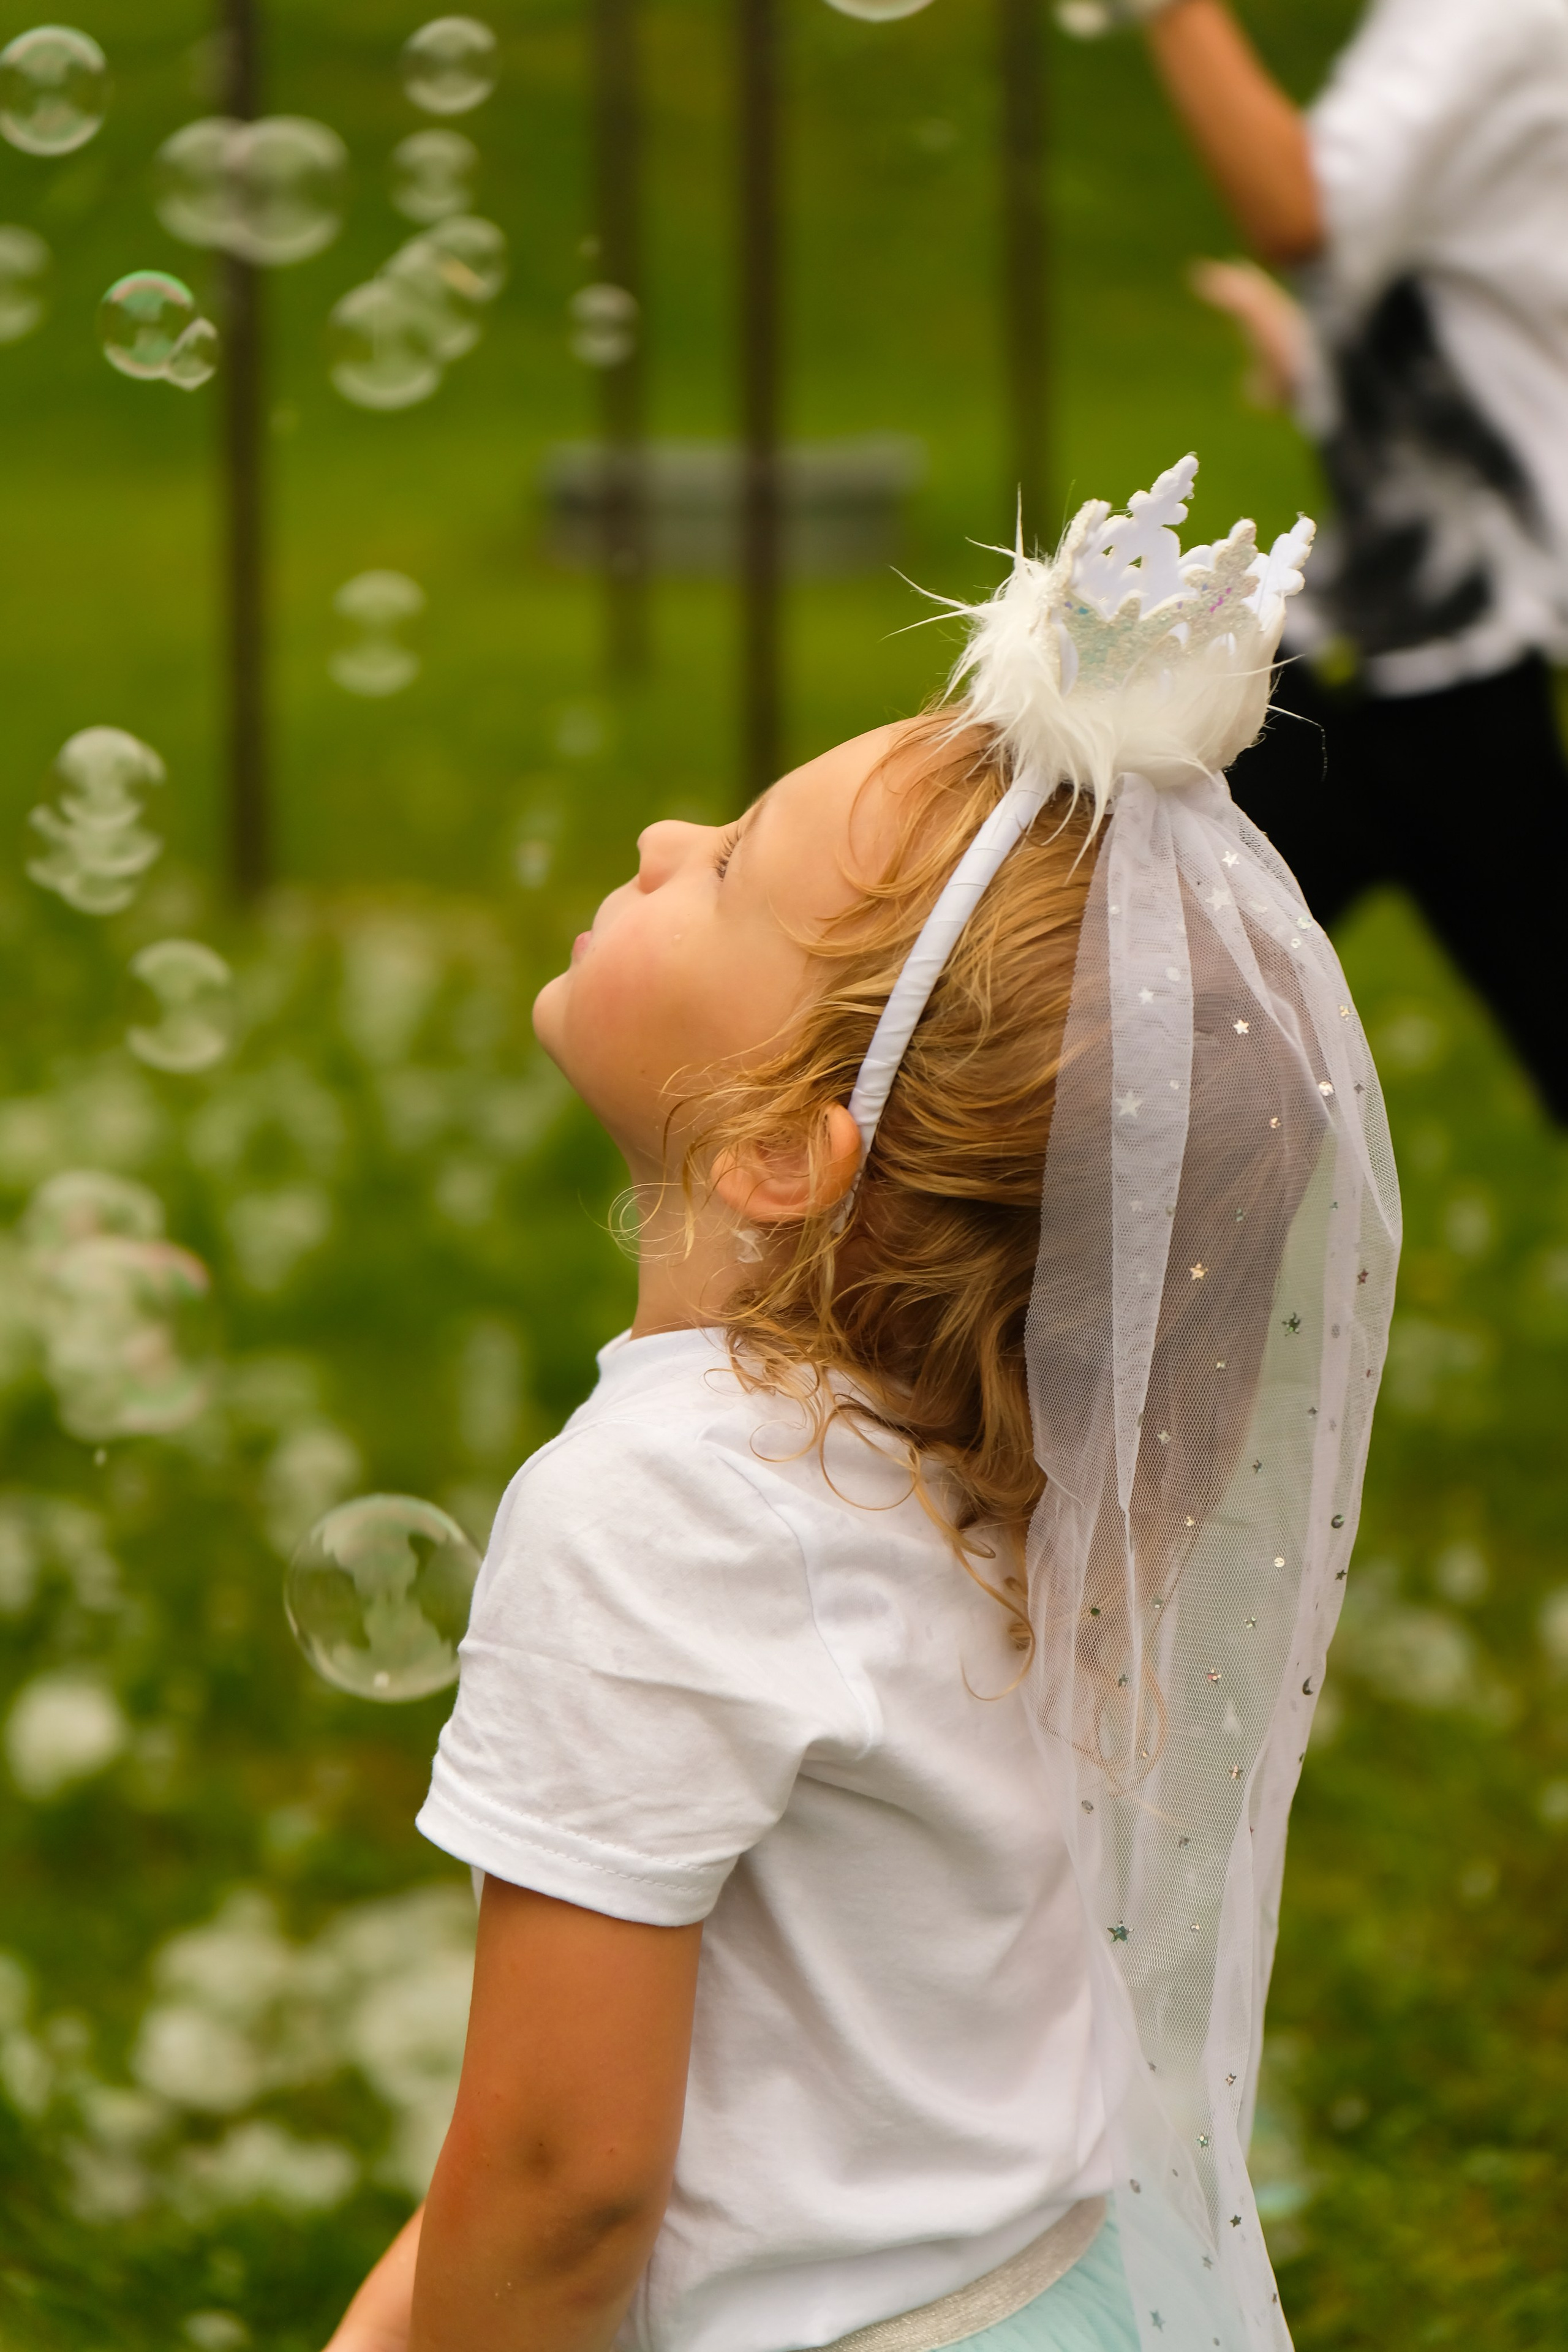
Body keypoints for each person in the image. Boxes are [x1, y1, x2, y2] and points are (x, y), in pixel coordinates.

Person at [323, 457, 1398, 2352]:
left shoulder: (655, 1516)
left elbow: (566, 2189)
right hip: (1067, 2290)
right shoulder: (988, 1450)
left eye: (727, 863)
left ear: (781, 1158)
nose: (662, 834)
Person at [1066, 0, 1568, 1121]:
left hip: (1461, 646)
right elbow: (1473, 271)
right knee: (1113, 987)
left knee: (1110, 986)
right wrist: (1320, 358)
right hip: (1388, 644)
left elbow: (1300, 209)